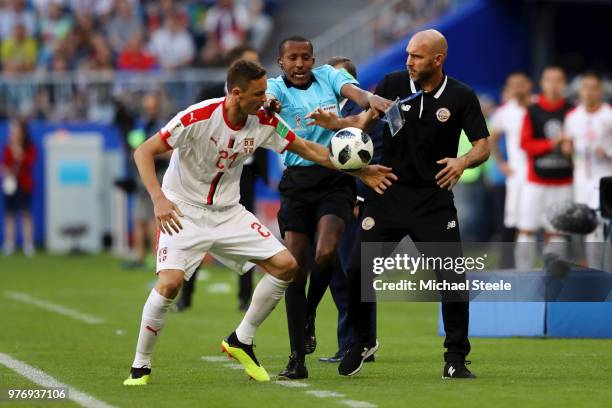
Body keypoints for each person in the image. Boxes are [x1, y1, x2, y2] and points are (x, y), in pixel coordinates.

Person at [122, 59, 396, 385]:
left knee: (286, 265)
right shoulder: (197, 117)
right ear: (236, 94)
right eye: (259, 93)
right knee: (169, 285)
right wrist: (159, 200)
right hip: (183, 210)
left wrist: (361, 170)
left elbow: (309, 149)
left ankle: (242, 339)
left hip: (227, 212)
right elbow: (143, 151)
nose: (266, 98)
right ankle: (141, 365)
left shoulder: (265, 120)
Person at [307, 29, 489, 378]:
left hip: (433, 200)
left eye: (417, 56)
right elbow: (362, 124)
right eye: (408, 54)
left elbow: (482, 145)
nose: (409, 61)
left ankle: (455, 359)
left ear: (438, 60)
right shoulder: (391, 83)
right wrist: (337, 124)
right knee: (358, 272)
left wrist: (462, 161)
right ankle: (361, 342)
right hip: (386, 194)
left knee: (452, 280)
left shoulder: (462, 96)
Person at [265, 36, 391, 379]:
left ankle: (308, 314)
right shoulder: (274, 87)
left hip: (336, 178)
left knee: (325, 253)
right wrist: (271, 109)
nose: (300, 63)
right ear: (281, 62)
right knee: (295, 267)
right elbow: (269, 102)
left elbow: (357, 94)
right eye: (293, 58)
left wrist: (372, 99)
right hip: (296, 183)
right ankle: (296, 360)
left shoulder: (330, 77)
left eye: (306, 56)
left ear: (313, 59)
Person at [176, 44, 264, 312]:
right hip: (207, 176)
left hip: (243, 174)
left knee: (248, 235)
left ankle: (245, 297)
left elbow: (270, 133)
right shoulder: (209, 96)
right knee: (195, 235)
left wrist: (263, 171)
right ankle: (185, 296)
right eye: (249, 63)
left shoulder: (262, 99)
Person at [305, 56, 379, 364]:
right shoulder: (324, 110)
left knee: (353, 273)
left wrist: (361, 200)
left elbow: (369, 158)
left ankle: (361, 342)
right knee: (335, 273)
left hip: (353, 202)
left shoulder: (361, 113)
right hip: (329, 202)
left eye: (342, 78)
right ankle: (351, 342)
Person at [516, 67, 574, 270]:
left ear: (564, 84)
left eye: (558, 80)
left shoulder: (572, 110)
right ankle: (523, 275)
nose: (554, 84)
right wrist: (552, 144)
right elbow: (525, 144)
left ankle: (555, 276)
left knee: (558, 231)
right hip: (536, 181)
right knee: (527, 229)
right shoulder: (532, 111)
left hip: (564, 181)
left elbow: (578, 144)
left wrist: (570, 148)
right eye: (550, 80)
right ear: (542, 83)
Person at [564, 72, 612, 269]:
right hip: (582, 176)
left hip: (605, 176)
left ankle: (604, 269)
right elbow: (568, 142)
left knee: (602, 223)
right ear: (580, 91)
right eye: (586, 88)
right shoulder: (573, 116)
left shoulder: (609, 114)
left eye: (594, 88)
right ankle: (593, 269)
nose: (590, 92)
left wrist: (608, 152)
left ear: (601, 91)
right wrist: (567, 148)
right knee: (588, 225)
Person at [489, 73, 533, 266]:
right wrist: (502, 164)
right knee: (512, 218)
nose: (517, 88)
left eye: (521, 84)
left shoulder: (538, 106)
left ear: (529, 85)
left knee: (535, 220)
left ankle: (540, 267)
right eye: (513, 84)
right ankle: (508, 264)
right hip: (516, 173)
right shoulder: (504, 112)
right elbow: (492, 139)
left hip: (539, 171)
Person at [2, 119, 36, 256]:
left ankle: (28, 244)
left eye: (16, 129)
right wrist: (5, 172)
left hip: (24, 184)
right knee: (9, 214)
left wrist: (18, 151)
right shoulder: (7, 146)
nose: (13, 132)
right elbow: (4, 164)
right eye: (12, 130)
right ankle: (9, 243)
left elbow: (29, 160)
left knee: (25, 214)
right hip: (11, 185)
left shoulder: (29, 146)